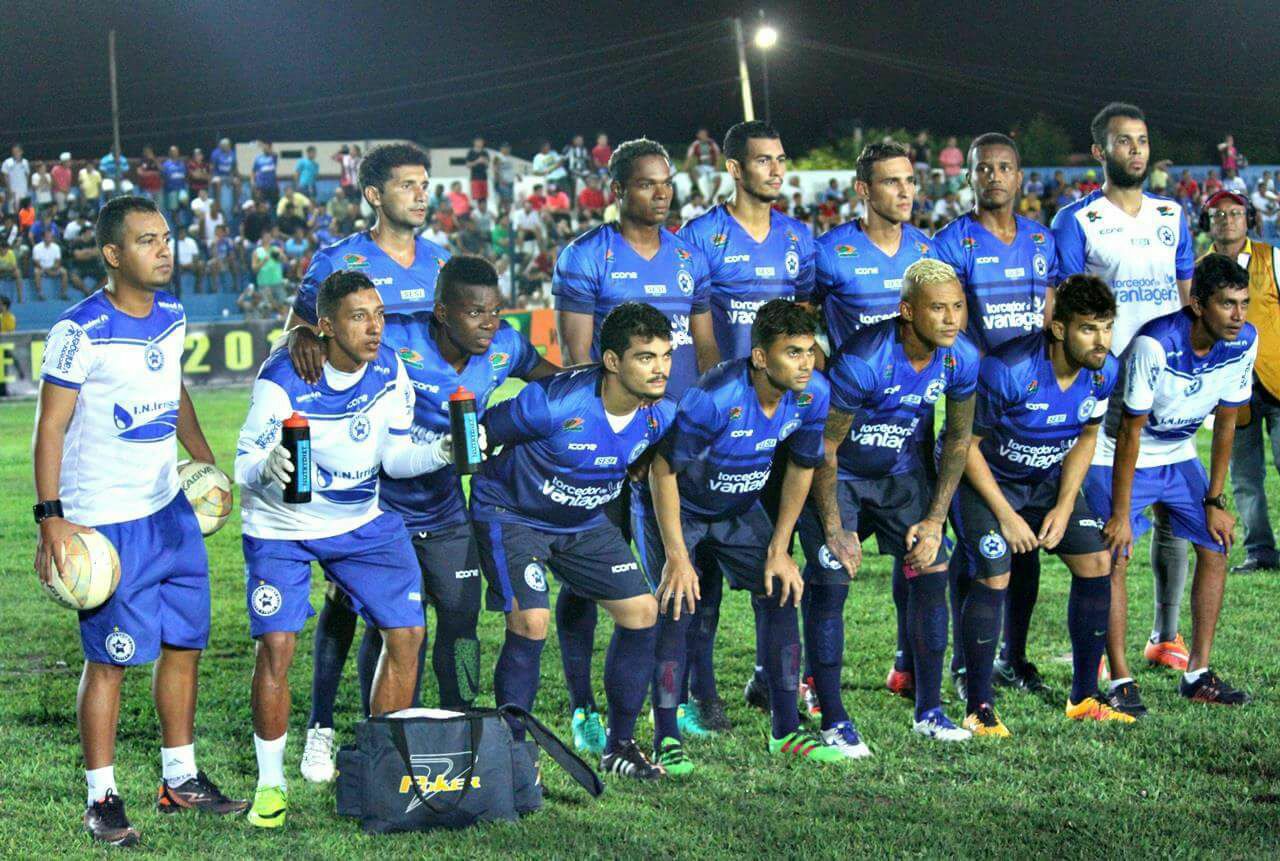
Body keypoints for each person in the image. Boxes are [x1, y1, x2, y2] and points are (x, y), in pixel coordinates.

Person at [296, 256, 558, 784]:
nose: (489, 322)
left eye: (496, 311)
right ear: (442, 312)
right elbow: (334, 335)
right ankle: (336, 727)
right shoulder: (394, 336)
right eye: (476, 312)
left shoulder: (505, 346)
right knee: (375, 619)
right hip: (376, 508)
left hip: (444, 509)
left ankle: (457, 722)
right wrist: (299, 336)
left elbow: (550, 380)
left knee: (461, 624)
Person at [33, 196, 245, 846]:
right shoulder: (80, 328)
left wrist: (202, 456)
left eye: (166, 237)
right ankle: (102, 796)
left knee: (185, 644)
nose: (164, 249)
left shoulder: (175, 314)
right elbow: (51, 425)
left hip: (170, 516)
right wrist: (52, 520)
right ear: (113, 253)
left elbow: (173, 388)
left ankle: (179, 777)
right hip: (107, 527)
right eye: (147, 240)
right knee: (112, 662)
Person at [236, 270, 449, 828]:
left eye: (378, 314)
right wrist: (268, 467)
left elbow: (396, 457)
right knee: (276, 647)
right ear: (325, 327)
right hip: (282, 526)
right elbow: (243, 465)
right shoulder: (282, 376)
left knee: (407, 634)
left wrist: (441, 451)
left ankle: (382, 775)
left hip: (360, 522)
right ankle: (270, 785)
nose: (375, 327)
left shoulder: (389, 369)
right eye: (359, 316)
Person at [551, 137, 716, 751]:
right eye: (648, 183)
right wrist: (613, 438)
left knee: (680, 569)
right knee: (584, 575)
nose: (662, 192)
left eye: (667, 181)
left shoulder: (686, 256)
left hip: (671, 441)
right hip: (609, 446)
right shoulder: (586, 255)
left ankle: (680, 700)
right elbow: (575, 357)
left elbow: (703, 349)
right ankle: (583, 705)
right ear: (618, 191)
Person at [472, 302, 675, 780]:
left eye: (666, 356)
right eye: (646, 357)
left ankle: (620, 746)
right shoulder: (553, 403)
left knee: (642, 611)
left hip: (583, 521)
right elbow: (481, 435)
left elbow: (657, 464)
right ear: (611, 361)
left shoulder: (661, 415)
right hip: (512, 513)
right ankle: (514, 758)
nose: (661, 368)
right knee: (532, 621)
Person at [641, 299, 848, 769]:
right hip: (682, 508)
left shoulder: (813, 393)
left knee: (781, 589)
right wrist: (676, 555)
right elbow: (663, 469)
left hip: (738, 508)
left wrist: (779, 548)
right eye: (792, 352)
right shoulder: (714, 397)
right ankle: (666, 736)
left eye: (810, 351)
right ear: (760, 357)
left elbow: (801, 464)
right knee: (677, 605)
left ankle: (787, 731)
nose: (806, 362)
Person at [1052, 103, 1198, 713]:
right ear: (1100, 151)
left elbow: (1187, 297)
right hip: (1107, 392)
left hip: (1167, 388)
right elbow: (1059, 305)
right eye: (1123, 142)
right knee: (1113, 530)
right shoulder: (1077, 219)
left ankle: (1166, 637)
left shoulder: (1174, 214)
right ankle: (1110, 664)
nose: (1135, 151)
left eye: (1142, 141)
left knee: (1177, 524)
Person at [800, 258, 978, 744]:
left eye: (957, 307)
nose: (951, 319)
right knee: (832, 580)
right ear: (906, 311)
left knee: (931, 571)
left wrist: (937, 519)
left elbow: (959, 439)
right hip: (843, 476)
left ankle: (930, 711)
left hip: (901, 475)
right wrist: (835, 526)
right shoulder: (863, 360)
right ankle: (833, 718)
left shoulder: (962, 357)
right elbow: (826, 447)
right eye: (937, 308)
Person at [954, 274, 1134, 735]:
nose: (1101, 341)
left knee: (1097, 560)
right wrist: (1007, 516)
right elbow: (962, 446)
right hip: (985, 482)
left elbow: (1087, 436)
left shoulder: (1104, 370)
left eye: (1107, 327)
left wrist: (1063, 504)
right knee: (996, 569)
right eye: (1089, 329)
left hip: (1044, 483)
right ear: (1059, 328)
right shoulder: (1008, 369)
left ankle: (1084, 698)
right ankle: (979, 706)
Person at [1083, 254, 1256, 712]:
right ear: (1198, 304)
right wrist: (1121, 514)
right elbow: (1128, 433)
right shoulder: (1155, 344)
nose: (1239, 315)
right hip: (1115, 455)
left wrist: (1215, 498)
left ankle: (1197, 673)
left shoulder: (1244, 341)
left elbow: (1227, 419)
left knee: (1216, 545)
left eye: (1244, 303)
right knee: (1112, 556)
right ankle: (1119, 677)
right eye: (1227, 304)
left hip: (1178, 452)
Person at [932, 133, 1059, 700]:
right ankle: (962, 662)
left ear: (1020, 176)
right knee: (975, 539)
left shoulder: (1040, 238)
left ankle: (1016, 655)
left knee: (1023, 533)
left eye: (1005, 167)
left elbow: (1051, 312)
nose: (995, 177)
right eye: (985, 169)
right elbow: (947, 321)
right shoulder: (953, 240)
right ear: (971, 177)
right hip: (977, 404)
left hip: (1031, 403)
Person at [813, 140, 934, 698]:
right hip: (843, 438)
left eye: (909, 180)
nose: (905, 190)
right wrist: (826, 369)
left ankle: (907, 665)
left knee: (916, 558)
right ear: (864, 190)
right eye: (892, 181)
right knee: (830, 570)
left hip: (906, 441)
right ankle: (814, 678)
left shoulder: (928, 252)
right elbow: (795, 320)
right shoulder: (830, 252)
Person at [1204, 192, 1280, 573]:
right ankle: (1261, 551)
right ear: (1209, 222)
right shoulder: (1199, 269)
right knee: (1245, 477)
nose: (1228, 220)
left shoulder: (1272, 258)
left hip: (1278, 379)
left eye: (1235, 213)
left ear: (1248, 219)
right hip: (1231, 390)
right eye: (1219, 214)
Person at [32, 231, 70, 300]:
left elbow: (58, 261)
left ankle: (63, 293)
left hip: (53, 268)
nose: (49, 239)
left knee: (64, 271)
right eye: (47, 237)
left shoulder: (56, 247)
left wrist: (53, 269)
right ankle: (40, 294)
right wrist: (46, 270)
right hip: (41, 268)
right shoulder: (36, 247)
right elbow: (36, 262)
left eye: (50, 237)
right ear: (43, 238)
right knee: (36, 272)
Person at [3, 144, 31, 214]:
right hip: (12, 191)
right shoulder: (7, 162)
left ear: (21, 152)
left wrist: (26, 188)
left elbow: (27, 176)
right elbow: (5, 177)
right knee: (12, 212)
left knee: (24, 212)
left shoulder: (25, 162)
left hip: (23, 191)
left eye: (17, 151)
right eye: (14, 151)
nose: (15, 153)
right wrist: (9, 190)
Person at [464, 137, 490, 208]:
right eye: (478, 142)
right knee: (476, 197)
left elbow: (488, 165)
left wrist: (485, 162)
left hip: (484, 177)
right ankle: (477, 211)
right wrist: (477, 161)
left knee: (484, 197)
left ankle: (484, 209)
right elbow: (467, 165)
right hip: (475, 178)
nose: (480, 143)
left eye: (481, 142)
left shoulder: (485, 152)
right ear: (474, 143)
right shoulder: (471, 152)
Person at [253, 141, 279, 208]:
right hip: (261, 186)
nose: (265, 148)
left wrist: (263, 145)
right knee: (261, 205)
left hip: (272, 186)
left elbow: (275, 154)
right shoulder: (258, 158)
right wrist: (253, 182)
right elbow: (253, 171)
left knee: (274, 206)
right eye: (264, 147)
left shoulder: (273, 157)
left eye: (267, 147)